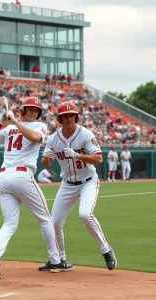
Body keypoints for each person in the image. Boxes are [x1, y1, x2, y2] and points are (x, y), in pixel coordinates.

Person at [0, 96, 73, 279]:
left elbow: (34, 138)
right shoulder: (8, 128)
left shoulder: (38, 126)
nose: (33, 112)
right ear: (23, 110)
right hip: (19, 176)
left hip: (6, 177)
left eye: (36, 110)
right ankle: (55, 261)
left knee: (11, 223)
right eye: (30, 109)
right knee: (44, 219)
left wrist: (13, 122)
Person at [39, 101, 117, 271]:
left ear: (76, 116)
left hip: (88, 181)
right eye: (65, 116)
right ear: (60, 119)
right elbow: (46, 165)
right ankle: (60, 260)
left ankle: (106, 250)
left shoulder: (85, 135)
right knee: (55, 222)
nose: (69, 119)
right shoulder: (53, 139)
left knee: (84, 214)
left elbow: (99, 159)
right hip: (67, 184)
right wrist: (45, 158)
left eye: (72, 115)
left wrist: (77, 155)